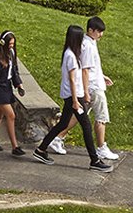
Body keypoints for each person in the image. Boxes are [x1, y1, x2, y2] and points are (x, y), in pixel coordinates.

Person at [32, 25, 111, 172]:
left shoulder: (71, 54)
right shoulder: (71, 56)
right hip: (74, 97)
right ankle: (94, 160)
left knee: (62, 124)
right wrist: (76, 101)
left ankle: (41, 150)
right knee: (86, 127)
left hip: (74, 96)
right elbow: (73, 80)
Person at [0, 30, 27, 155]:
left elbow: (14, 71)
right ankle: (15, 146)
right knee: (11, 115)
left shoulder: (11, 53)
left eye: (13, 44)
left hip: (7, 87)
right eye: (10, 44)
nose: (12, 46)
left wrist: (19, 84)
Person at [80, 16, 118, 160]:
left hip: (93, 84)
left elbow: (92, 66)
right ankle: (101, 147)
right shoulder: (88, 45)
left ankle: (58, 137)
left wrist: (102, 76)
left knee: (79, 115)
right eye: (99, 32)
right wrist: (86, 90)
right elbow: (86, 69)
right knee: (101, 117)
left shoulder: (90, 42)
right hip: (94, 87)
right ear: (91, 30)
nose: (101, 35)